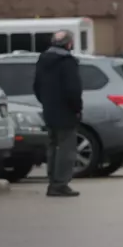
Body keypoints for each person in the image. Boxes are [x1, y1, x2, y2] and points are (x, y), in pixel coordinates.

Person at [33, 30, 83, 197]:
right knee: (67, 149)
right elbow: (73, 89)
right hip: (66, 112)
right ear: (69, 44)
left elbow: (36, 86)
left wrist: (47, 102)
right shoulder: (67, 62)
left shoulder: (43, 60)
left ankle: (53, 181)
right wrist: (77, 108)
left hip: (49, 110)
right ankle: (60, 184)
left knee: (53, 147)